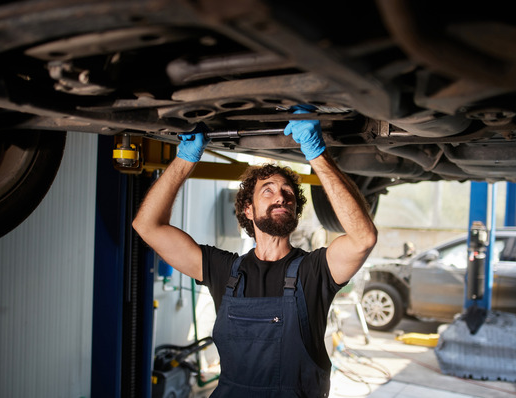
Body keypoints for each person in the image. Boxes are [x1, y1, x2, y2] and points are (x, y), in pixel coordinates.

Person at [132, 105, 378, 397]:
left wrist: (316, 153)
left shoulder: (315, 271)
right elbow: (147, 226)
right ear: (247, 210)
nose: (281, 197)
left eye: (288, 193)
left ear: (295, 211)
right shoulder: (223, 270)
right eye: (268, 190)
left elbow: (363, 237)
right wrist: (185, 160)